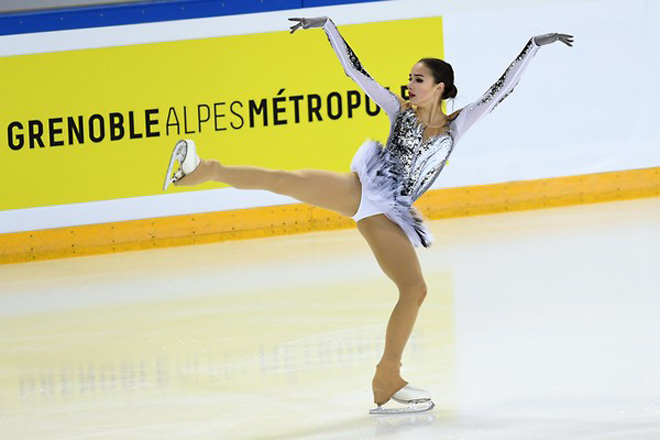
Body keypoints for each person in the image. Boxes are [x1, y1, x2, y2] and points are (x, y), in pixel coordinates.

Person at [162, 16, 573, 414]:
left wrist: (533, 47)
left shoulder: (456, 125)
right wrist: (328, 28)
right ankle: (204, 170)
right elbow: (356, 72)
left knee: (414, 290)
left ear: (439, 87)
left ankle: (386, 378)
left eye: (418, 79)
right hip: (364, 191)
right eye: (409, 77)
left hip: (389, 215)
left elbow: (500, 90)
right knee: (287, 179)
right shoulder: (398, 111)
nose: (409, 85)